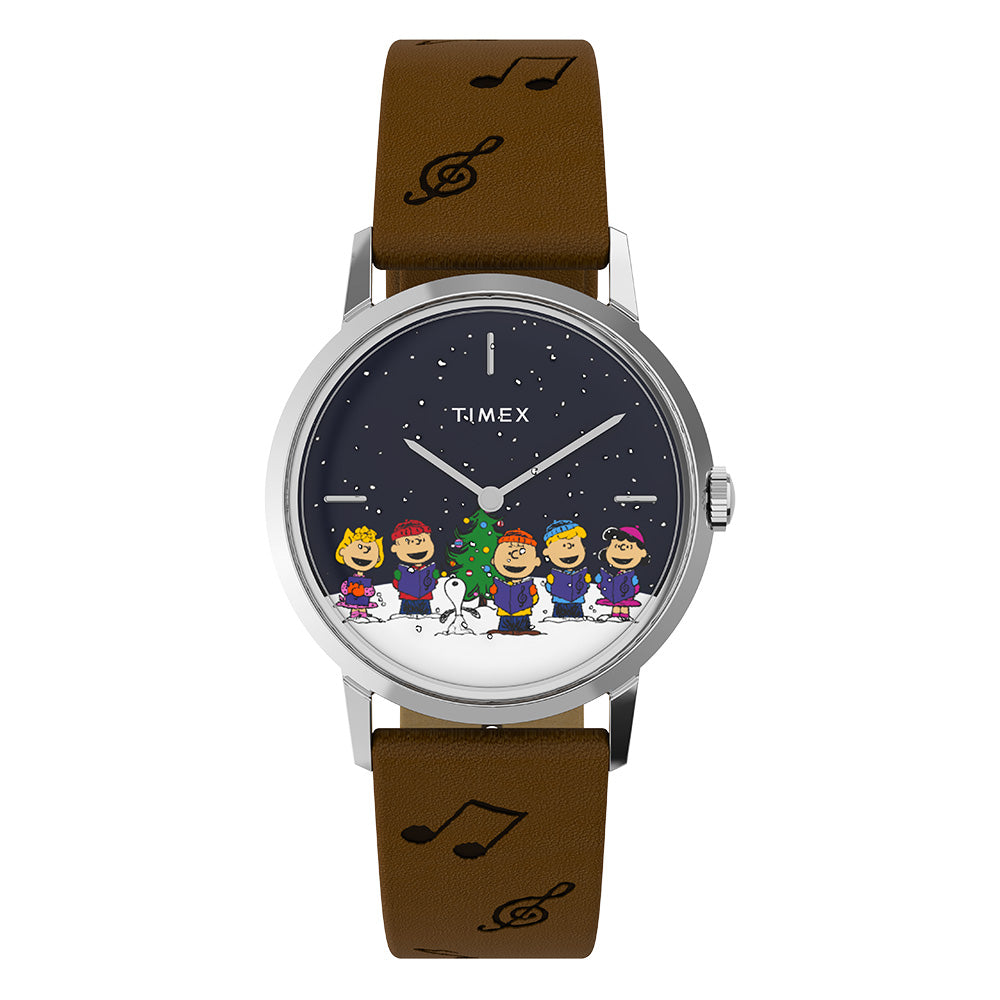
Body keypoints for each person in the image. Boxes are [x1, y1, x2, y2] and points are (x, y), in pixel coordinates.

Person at [488, 529, 541, 635]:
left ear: (536, 561)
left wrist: (533, 594)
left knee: (523, 634)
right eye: (508, 553)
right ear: (494, 560)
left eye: (522, 553)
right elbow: (497, 599)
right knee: (504, 634)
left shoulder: (527, 585)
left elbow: (534, 601)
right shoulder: (503, 585)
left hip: (522, 615)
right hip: (505, 615)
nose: (515, 556)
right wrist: (494, 593)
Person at [389, 519, 446, 616]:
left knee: (426, 619)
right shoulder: (403, 571)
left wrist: (434, 578)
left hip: (424, 599)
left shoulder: (427, 570)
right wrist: (398, 579)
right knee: (405, 619)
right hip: (407, 599)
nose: (416, 546)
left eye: (423, 540)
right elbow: (397, 585)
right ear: (395, 548)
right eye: (407, 541)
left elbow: (431, 584)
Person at [593, 526, 649, 621]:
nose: (622, 551)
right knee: (616, 606)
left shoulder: (631, 576)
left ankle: (624, 616)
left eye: (629, 547)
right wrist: (601, 582)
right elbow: (606, 587)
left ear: (642, 553)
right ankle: (615, 616)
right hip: (615, 596)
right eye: (616, 547)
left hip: (626, 597)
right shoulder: (615, 575)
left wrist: (634, 586)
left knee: (624, 607)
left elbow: (635, 588)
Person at [541, 519, 591, 619]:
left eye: (573, 545)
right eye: (563, 546)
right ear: (548, 552)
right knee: (558, 622)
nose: (569, 549)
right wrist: (550, 583)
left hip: (576, 602)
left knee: (578, 622)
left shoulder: (580, 574)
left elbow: (583, 588)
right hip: (560, 602)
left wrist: (586, 582)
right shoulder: (555, 575)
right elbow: (551, 589)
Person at [334, 526, 384, 620]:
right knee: (354, 606)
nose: (364, 551)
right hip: (353, 597)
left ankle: (363, 614)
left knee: (362, 606)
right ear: (343, 551)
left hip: (362, 598)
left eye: (369, 549)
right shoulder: (351, 579)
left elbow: (370, 591)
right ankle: (354, 614)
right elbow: (345, 588)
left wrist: (367, 591)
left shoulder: (366, 582)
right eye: (360, 547)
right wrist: (348, 589)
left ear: (378, 558)